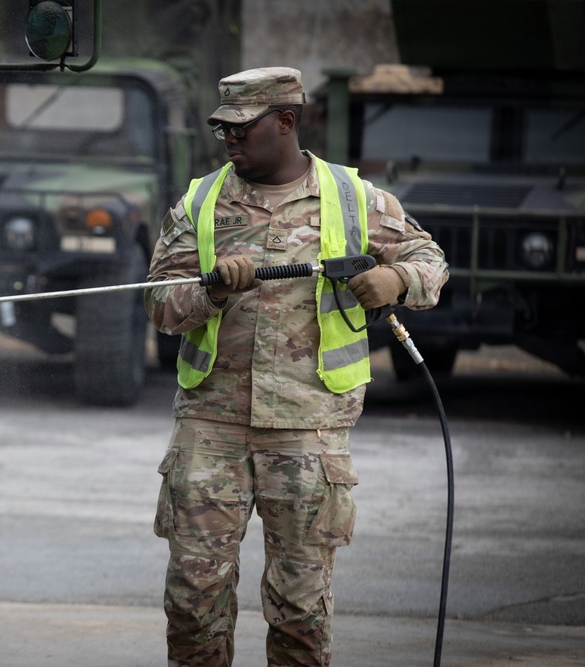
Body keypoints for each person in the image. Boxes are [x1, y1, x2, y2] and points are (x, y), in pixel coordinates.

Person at [144, 67, 449, 667]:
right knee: (193, 599)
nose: (229, 140)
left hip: (310, 430)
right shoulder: (202, 202)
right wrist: (210, 292)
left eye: (242, 127)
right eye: (223, 129)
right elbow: (158, 302)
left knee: (301, 605)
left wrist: (396, 277)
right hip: (213, 428)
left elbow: (430, 259)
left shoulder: (355, 200)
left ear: (285, 122)